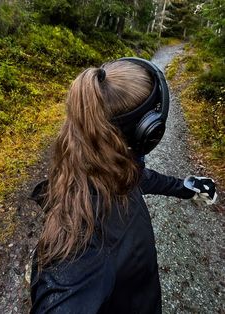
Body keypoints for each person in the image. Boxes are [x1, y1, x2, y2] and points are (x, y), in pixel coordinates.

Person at [29, 57, 217, 314]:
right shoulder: (85, 247)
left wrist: (185, 187)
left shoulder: (94, 160)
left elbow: (136, 177)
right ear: (146, 132)